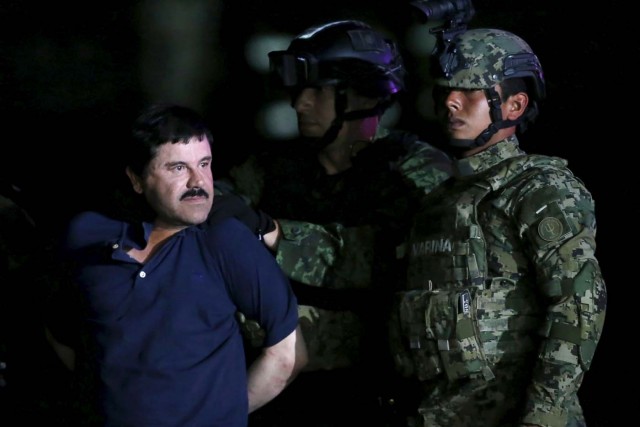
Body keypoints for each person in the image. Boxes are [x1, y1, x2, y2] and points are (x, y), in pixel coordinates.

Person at [211, 20, 453, 426]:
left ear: (361, 95)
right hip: (278, 385)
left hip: (372, 388)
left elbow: (375, 258)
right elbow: (214, 202)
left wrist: (273, 233)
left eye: (318, 91)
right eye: (300, 90)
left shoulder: (415, 171)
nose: (299, 103)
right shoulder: (277, 168)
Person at [388, 27, 607, 427]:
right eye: (445, 90)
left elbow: (578, 305)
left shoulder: (538, 187)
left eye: (470, 90)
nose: (451, 101)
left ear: (514, 105)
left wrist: (545, 414)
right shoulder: (437, 202)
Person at [46, 103, 308, 427]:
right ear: (137, 179)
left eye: (205, 163)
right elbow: (60, 330)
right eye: (178, 168)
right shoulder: (88, 236)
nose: (199, 181)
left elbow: (288, 354)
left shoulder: (225, 242)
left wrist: (219, 414)